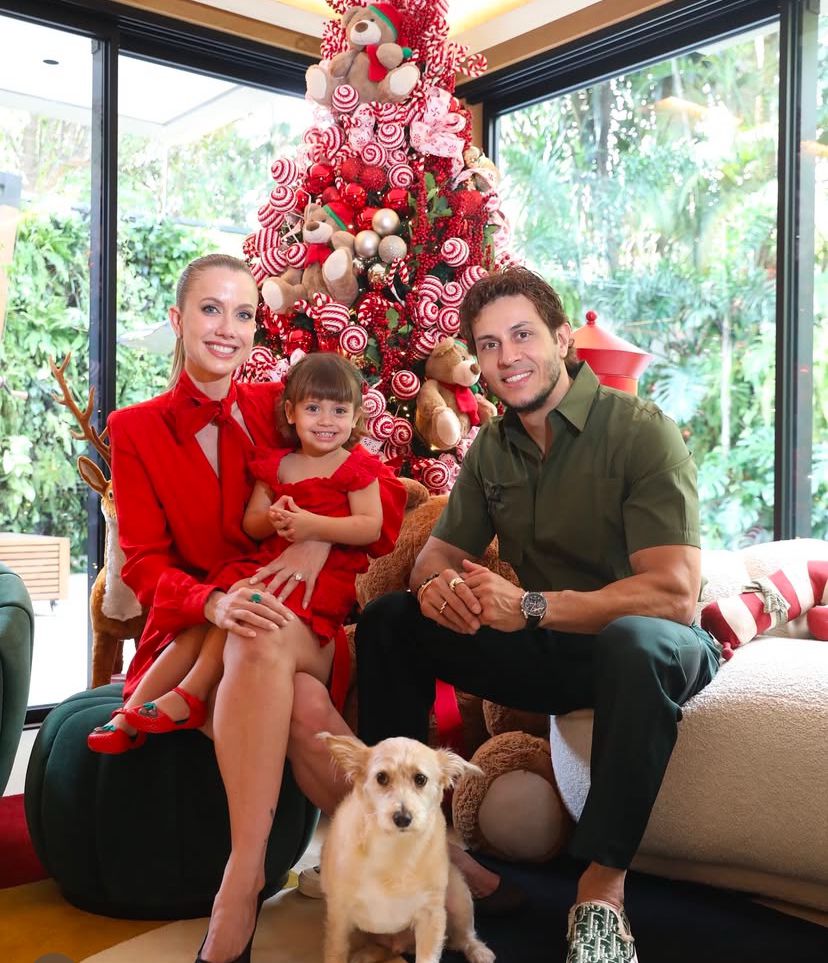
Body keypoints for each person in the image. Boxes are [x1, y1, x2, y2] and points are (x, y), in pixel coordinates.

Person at [354, 266, 722, 963]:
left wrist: (528, 605)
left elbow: (673, 593)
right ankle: (415, 852)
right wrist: (437, 589)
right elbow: (434, 557)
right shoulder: (493, 447)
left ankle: (601, 890)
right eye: (488, 345)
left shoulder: (641, 431)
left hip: (656, 648)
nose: (507, 357)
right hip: (553, 648)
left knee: (633, 641)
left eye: (522, 335)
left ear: (561, 339)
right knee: (391, 621)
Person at [85, 253, 405, 963]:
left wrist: (317, 540)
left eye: (243, 314)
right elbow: (143, 563)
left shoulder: (282, 402)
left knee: (262, 637)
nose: (227, 328)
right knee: (298, 698)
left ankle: (242, 877)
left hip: (306, 621)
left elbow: (370, 483)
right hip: (197, 633)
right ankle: (403, 866)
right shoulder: (135, 429)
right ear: (177, 320)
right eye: (210, 309)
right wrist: (212, 602)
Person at [110, 351, 394, 739]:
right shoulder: (278, 462)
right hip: (259, 573)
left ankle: (188, 692)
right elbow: (251, 524)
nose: (326, 420)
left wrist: (316, 533)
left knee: (245, 605)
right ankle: (140, 710)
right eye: (314, 409)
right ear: (292, 413)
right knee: (239, 601)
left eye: (339, 412)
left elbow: (373, 523)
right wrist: (274, 518)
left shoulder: (350, 461)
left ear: (355, 417)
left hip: (316, 587)